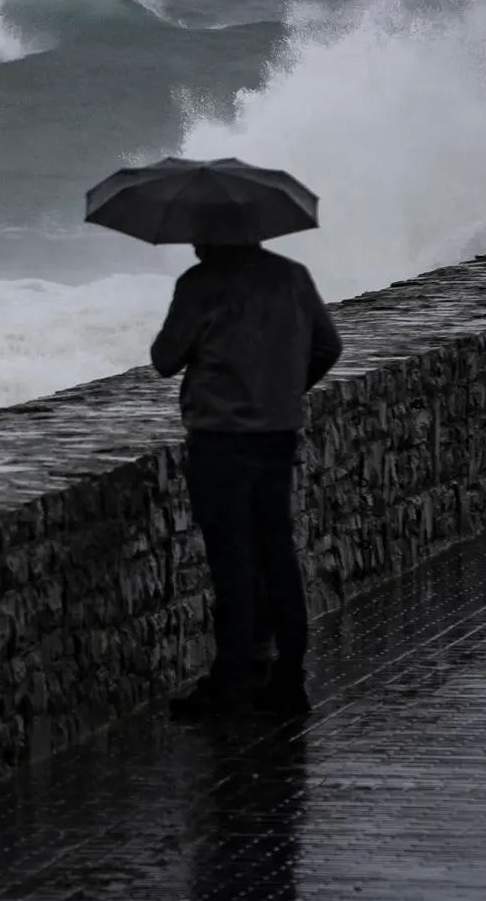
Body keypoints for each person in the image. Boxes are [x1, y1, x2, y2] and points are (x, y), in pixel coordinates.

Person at [150, 241, 341, 718]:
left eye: (200, 232)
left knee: (231, 558)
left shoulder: (200, 283)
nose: (194, 243)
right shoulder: (291, 275)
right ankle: (289, 680)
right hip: (276, 433)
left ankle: (231, 681)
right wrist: (284, 389)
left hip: (220, 438)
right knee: (277, 555)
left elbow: (164, 358)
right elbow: (328, 346)